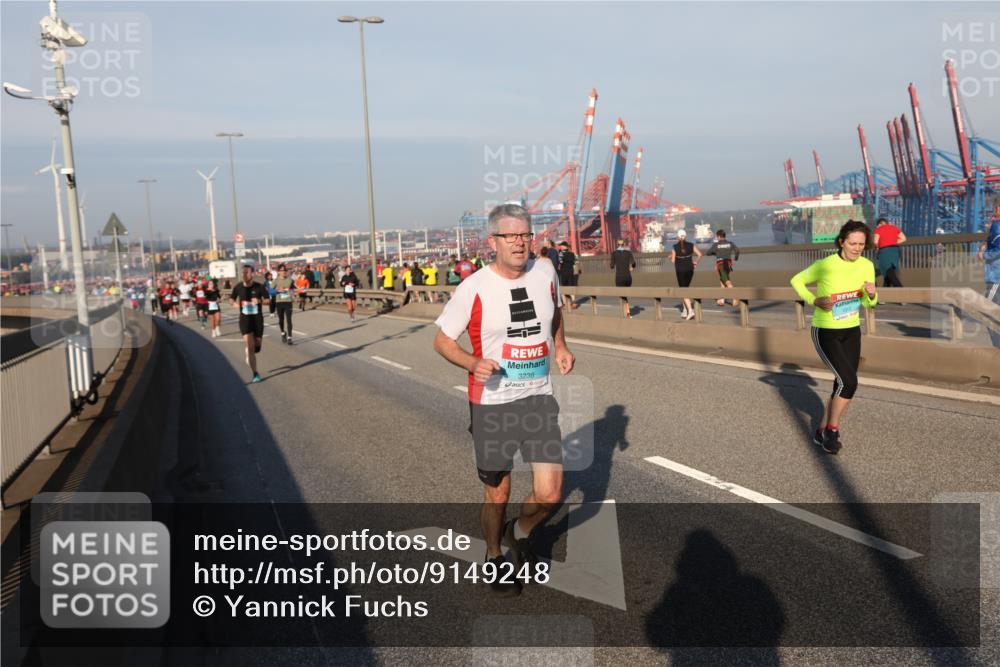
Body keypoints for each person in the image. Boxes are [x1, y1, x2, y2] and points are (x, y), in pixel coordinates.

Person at [433, 203, 574, 597]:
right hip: (492, 404)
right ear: (492, 241)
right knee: (498, 492)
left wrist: (560, 346)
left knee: (550, 493)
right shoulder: (473, 287)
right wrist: (472, 360)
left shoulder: (545, 271)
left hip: (537, 399)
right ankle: (494, 555)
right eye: (509, 236)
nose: (519, 242)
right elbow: (443, 340)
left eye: (525, 235)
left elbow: (556, 313)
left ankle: (521, 531)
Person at [790, 220, 878, 455]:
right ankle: (832, 429)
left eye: (861, 244)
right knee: (849, 382)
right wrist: (813, 300)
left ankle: (821, 432)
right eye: (852, 243)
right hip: (826, 330)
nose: (857, 248)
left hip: (851, 330)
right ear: (841, 241)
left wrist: (872, 294)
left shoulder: (867, 265)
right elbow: (796, 280)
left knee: (842, 383)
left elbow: (870, 303)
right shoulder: (825, 265)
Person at [230, 263, 268, 383]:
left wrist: (260, 301)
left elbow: (268, 300)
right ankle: (255, 373)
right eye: (243, 273)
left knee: (257, 347)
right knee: (251, 348)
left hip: (257, 320)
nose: (244, 274)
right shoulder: (238, 287)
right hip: (245, 320)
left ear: (252, 274)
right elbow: (231, 299)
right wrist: (234, 304)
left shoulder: (260, 287)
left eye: (246, 272)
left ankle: (251, 349)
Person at [978, 218, 1000, 348]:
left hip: (996, 279)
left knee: (986, 311)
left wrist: (984, 254)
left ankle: (997, 348)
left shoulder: (997, 226)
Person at [671, 228, 702, 320]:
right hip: (690, 270)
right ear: (686, 236)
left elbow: (673, 261)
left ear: (677, 237)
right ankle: (685, 311)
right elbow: (700, 254)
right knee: (685, 288)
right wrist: (696, 262)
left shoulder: (674, 247)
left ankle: (690, 311)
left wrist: (672, 257)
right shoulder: (691, 245)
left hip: (680, 271)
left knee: (683, 290)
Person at [705, 229, 740, 307]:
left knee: (727, 281)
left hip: (721, 264)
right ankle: (721, 299)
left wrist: (716, 253)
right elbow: (737, 251)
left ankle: (735, 296)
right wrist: (736, 258)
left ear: (719, 236)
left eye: (717, 236)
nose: (717, 238)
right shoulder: (730, 243)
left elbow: (708, 253)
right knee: (722, 281)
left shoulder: (716, 244)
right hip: (728, 264)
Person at [873, 217, 907, 287]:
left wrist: (877, 247)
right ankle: (886, 289)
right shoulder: (894, 228)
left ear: (879, 224)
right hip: (895, 251)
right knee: (890, 270)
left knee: (887, 270)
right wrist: (893, 242)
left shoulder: (879, 229)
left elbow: (875, 241)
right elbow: (904, 238)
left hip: (885, 251)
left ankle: (900, 288)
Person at [610, 238, 636, 318]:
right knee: (625, 295)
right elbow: (634, 263)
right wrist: (632, 268)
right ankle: (627, 312)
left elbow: (611, 266)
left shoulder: (614, 253)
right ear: (624, 244)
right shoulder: (628, 253)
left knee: (622, 296)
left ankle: (627, 312)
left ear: (617, 244)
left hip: (619, 277)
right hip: (628, 277)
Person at [272, 264, 295, 345]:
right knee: (281, 320)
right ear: (278, 272)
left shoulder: (290, 280)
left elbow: (293, 289)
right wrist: (277, 291)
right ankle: (282, 332)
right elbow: (270, 292)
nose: (284, 272)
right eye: (282, 270)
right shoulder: (275, 281)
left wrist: (293, 294)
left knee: (289, 320)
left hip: (288, 302)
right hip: (279, 302)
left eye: (285, 270)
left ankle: (290, 337)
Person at [556, 241, 577, 310]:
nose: (560, 247)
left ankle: (564, 304)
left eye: (561, 246)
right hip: (571, 272)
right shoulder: (572, 253)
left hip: (563, 272)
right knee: (571, 286)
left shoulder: (561, 254)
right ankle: (573, 302)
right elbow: (574, 262)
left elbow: (560, 263)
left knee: (562, 288)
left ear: (564, 246)